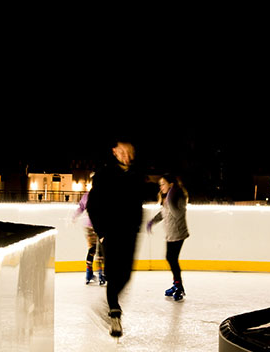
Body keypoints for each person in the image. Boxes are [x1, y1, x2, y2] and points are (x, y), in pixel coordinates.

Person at [86, 140, 143, 337]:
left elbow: (138, 203)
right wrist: (101, 233)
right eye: (123, 152)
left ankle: (110, 306)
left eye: (130, 152)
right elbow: (92, 205)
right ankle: (114, 312)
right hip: (111, 234)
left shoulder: (136, 175)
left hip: (130, 234)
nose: (127, 156)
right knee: (113, 275)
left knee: (126, 275)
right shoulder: (104, 175)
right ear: (115, 152)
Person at [146, 174, 190, 301]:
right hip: (170, 234)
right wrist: (153, 221)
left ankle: (179, 286)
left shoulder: (178, 197)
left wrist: (170, 201)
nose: (161, 187)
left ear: (171, 184)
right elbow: (164, 213)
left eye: (163, 184)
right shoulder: (167, 198)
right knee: (171, 258)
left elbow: (178, 214)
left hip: (178, 233)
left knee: (172, 259)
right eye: (160, 184)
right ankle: (177, 284)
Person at [72, 183, 105, 285]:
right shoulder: (103, 195)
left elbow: (81, 207)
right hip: (100, 225)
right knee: (100, 250)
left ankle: (88, 273)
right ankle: (100, 273)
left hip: (88, 225)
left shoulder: (87, 195)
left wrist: (75, 217)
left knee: (91, 249)